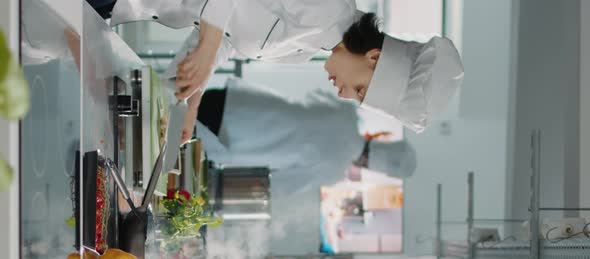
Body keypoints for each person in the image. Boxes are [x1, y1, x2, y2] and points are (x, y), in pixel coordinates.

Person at [108, 0, 464, 143]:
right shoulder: (329, 7)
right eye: (359, 89)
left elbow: (227, 38)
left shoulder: (308, 50)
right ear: (373, 57)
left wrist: (192, 102)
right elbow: (214, 38)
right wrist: (207, 48)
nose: (343, 95)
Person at [194, 77, 416, 254]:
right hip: (234, 139)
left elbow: (312, 97)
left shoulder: (347, 114)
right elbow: (280, 185)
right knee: (177, 140)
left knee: (174, 112)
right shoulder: (334, 169)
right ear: (369, 166)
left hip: (241, 102)